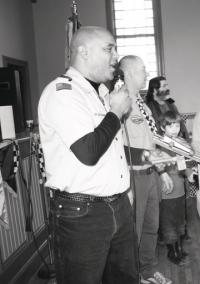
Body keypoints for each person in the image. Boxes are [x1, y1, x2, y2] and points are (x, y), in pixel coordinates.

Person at [38, 26, 139, 284]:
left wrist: (124, 189)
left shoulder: (103, 93)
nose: (116, 55)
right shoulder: (62, 93)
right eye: (109, 48)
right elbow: (88, 152)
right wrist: (115, 114)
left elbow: (112, 152)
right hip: (81, 213)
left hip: (118, 206)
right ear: (83, 51)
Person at [118, 55, 173, 284]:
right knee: (134, 231)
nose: (146, 73)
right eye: (142, 69)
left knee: (151, 227)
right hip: (134, 177)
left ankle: (148, 271)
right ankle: (133, 277)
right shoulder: (118, 102)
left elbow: (152, 139)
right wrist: (151, 157)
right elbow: (117, 147)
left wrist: (163, 170)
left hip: (150, 175)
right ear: (128, 72)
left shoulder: (141, 103)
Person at [158, 110, 191, 265]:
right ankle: (172, 252)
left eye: (177, 125)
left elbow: (185, 164)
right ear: (163, 127)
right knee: (169, 223)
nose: (174, 129)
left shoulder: (180, 143)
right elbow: (159, 166)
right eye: (170, 126)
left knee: (179, 221)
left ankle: (179, 247)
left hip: (180, 191)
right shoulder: (159, 143)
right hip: (167, 193)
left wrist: (190, 173)